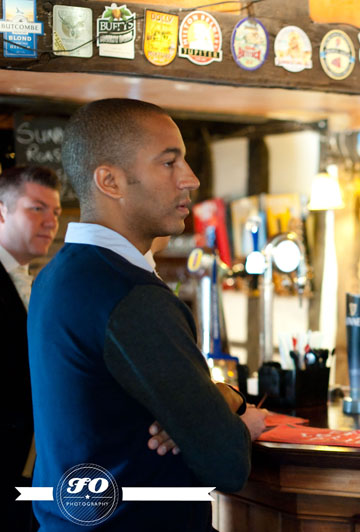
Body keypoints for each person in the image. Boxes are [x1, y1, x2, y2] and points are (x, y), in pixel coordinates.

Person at [28, 98, 268, 530]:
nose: (190, 180)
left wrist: (212, 404)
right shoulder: (130, 294)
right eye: (169, 163)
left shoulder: (56, 274)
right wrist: (235, 415)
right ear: (110, 181)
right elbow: (227, 461)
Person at [0, 166, 61, 531]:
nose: (50, 221)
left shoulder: (30, 279)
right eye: (36, 208)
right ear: (2, 211)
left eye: (54, 212)